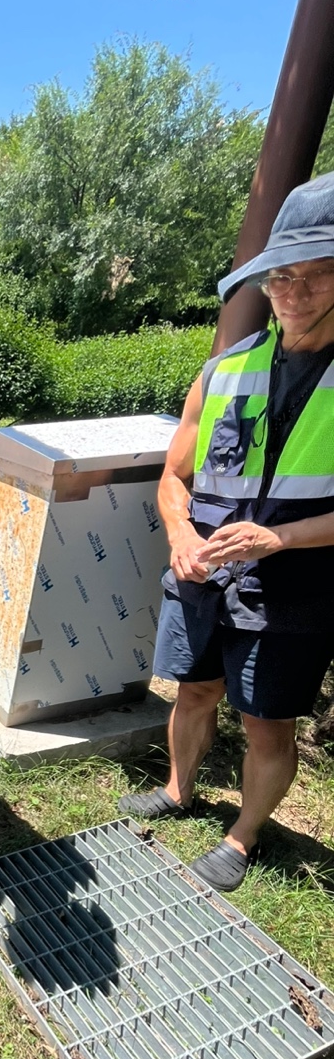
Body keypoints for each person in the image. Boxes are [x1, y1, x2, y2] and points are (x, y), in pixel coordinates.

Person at [118, 172, 334, 892]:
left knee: (266, 722)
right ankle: (181, 790)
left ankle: (242, 837)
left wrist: (282, 540)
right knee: (194, 692)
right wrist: (179, 534)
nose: (292, 291)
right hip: (201, 573)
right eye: (280, 275)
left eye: (314, 275)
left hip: (295, 587)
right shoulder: (222, 372)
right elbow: (173, 477)